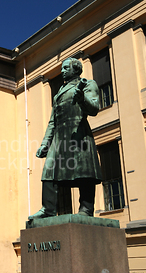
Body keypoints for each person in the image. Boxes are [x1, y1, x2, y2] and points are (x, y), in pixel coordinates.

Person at [29, 57, 103, 219]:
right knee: (49, 171)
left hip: (79, 132)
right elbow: (52, 121)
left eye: (65, 68)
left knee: (84, 171)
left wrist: (81, 98)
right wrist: (45, 144)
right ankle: (48, 210)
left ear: (75, 69)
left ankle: (86, 209)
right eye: (62, 68)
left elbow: (94, 108)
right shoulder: (58, 94)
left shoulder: (87, 84)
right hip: (59, 137)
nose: (62, 71)